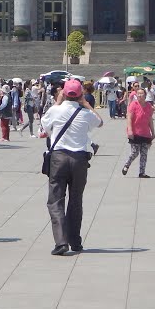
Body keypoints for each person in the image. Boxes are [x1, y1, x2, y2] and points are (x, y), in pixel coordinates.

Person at [42, 79, 103, 255]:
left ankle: (61, 242)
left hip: (59, 159)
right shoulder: (85, 113)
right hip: (79, 160)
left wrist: (57, 102)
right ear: (80, 94)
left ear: (63, 93)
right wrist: (86, 104)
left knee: (56, 201)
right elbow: (99, 122)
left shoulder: (55, 110)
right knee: (76, 201)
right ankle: (75, 241)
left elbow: (45, 127)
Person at [122, 88, 155, 178]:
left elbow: (150, 120)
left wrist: (153, 132)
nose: (140, 95)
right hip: (135, 132)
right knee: (135, 152)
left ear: (145, 95)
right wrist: (130, 130)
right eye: (138, 94)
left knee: (144, 154)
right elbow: (129, 118)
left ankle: (142, 172)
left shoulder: (148, 106)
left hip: (145, 133)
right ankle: (127, 165)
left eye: (142, 94)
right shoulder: (133, 105)